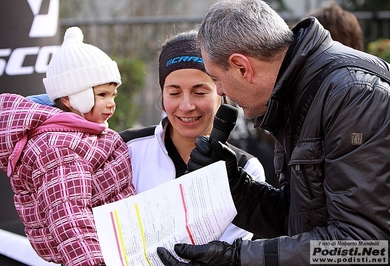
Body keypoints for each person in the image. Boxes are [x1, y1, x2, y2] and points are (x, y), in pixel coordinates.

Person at [156, 0, 390, 265]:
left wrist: (238, 259)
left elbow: (366, 247)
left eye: (217, 79)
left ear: (242, 67)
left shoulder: (353, 95)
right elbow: (297, 222)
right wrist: (235, 187)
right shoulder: (296, 93)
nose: (220, 91)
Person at [0, 27, 135, 266]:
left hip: (117, 247)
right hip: (96, 256)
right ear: (69, 98)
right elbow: (68, 217)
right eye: (101, 95)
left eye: (113, 95)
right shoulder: (59, 148)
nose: (111, 104)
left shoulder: (83, 131)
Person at [119, 30, 266, 242]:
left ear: (222, 93)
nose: (186, 106)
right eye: (174, 93)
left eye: (199, 92)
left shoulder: (246, 168)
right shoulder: (127, 149)